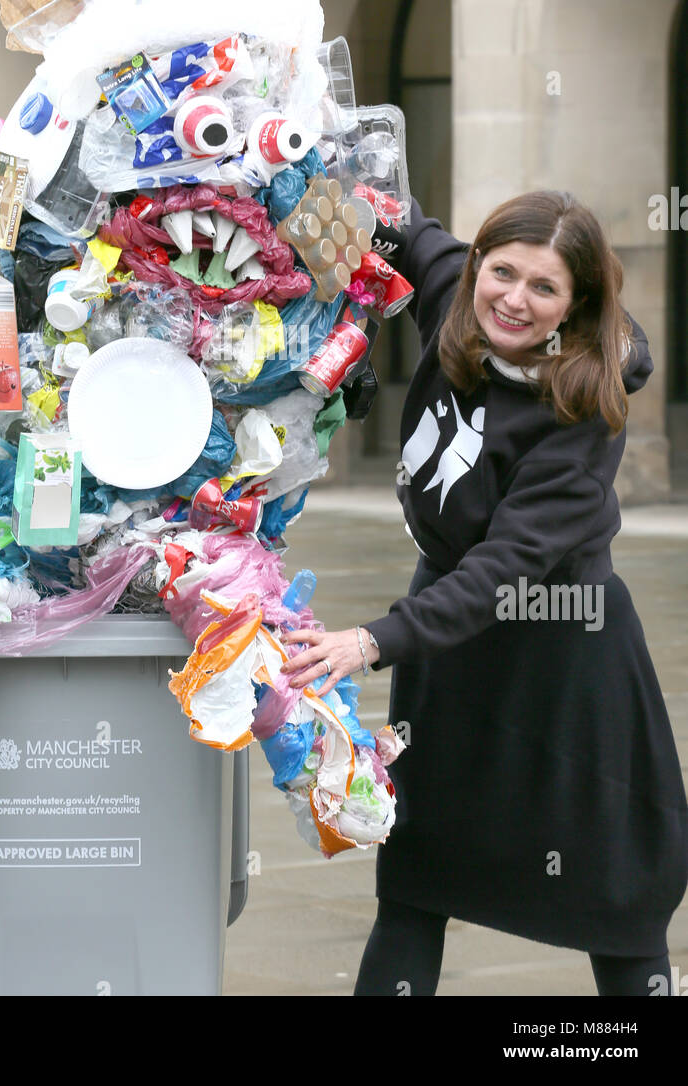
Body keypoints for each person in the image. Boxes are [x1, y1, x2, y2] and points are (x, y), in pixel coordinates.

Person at [281, 191, 688, 997]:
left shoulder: (582, 410)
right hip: (448, 656)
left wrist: (368, 641)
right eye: (502, 272)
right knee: (417, 876)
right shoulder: (459, 301)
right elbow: (396, 221)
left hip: (563, 657)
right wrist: (301, 155)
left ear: (577, 307)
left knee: (616, 893)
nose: (514, 299)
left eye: (545, 289)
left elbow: (506, 567)